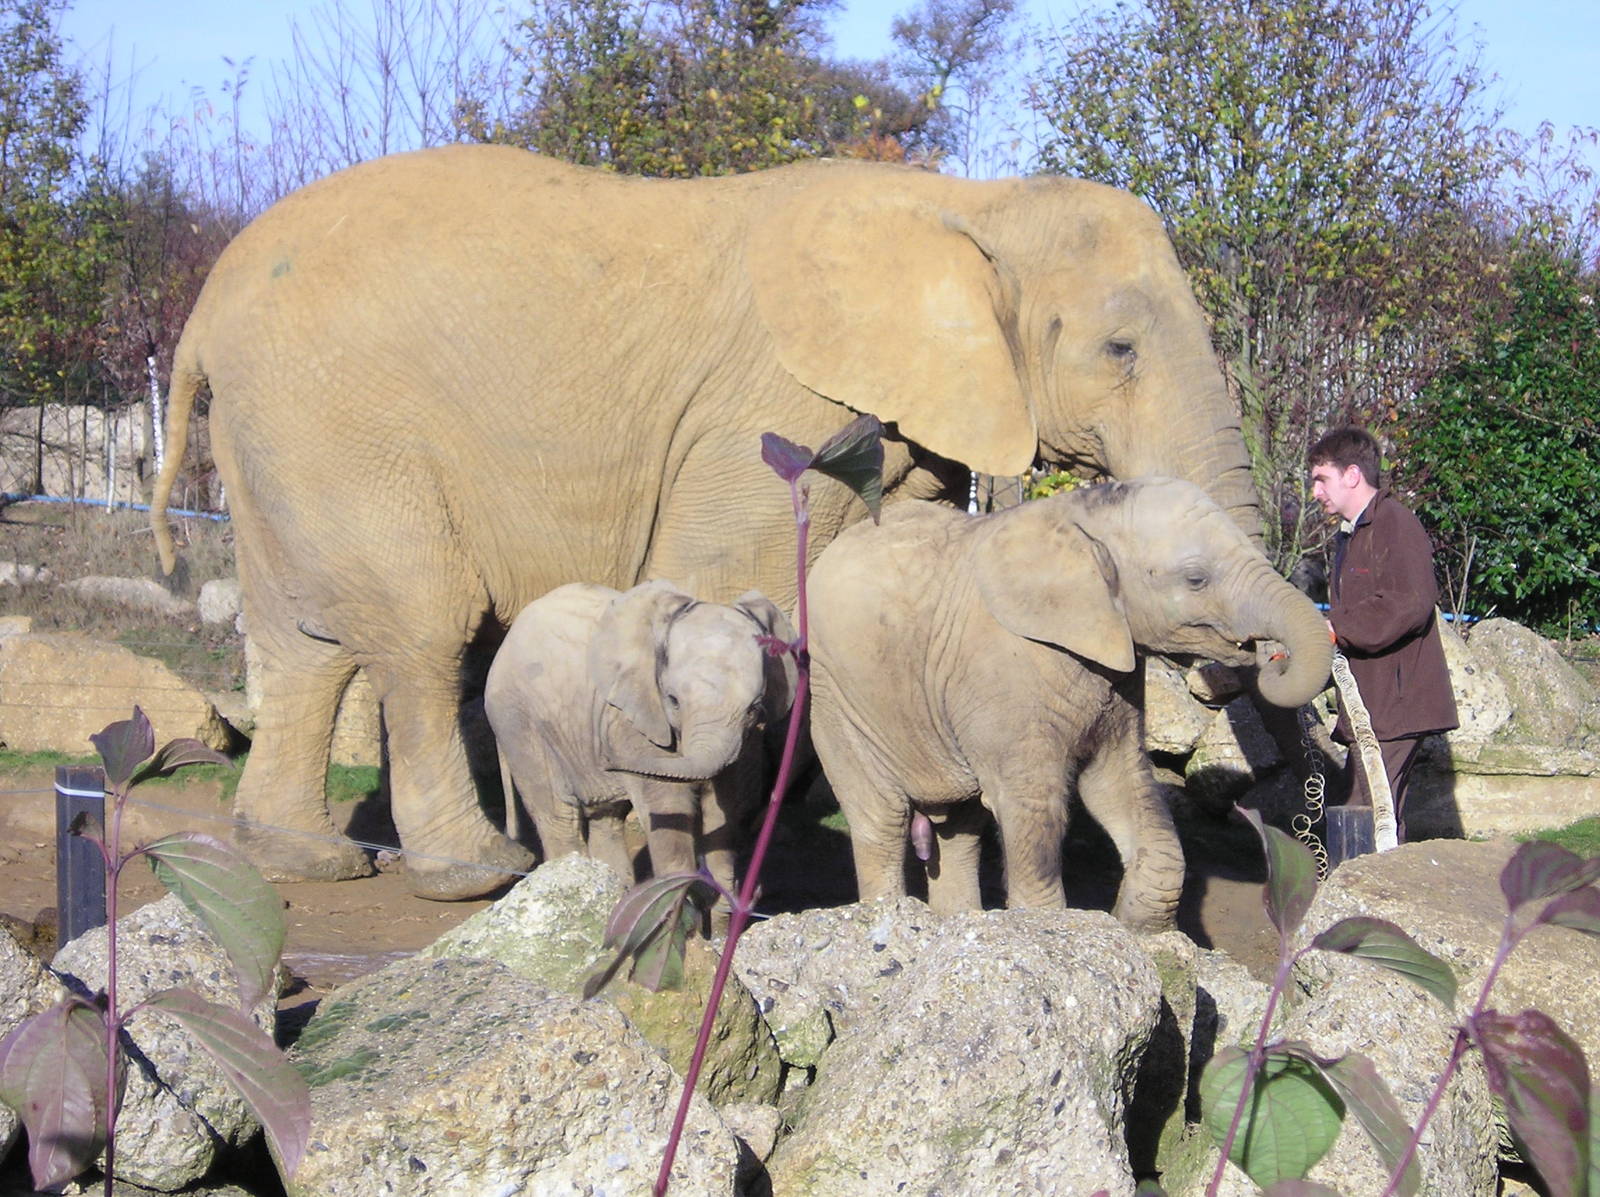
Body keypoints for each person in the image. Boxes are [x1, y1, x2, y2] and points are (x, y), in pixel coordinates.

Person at [1307, 426, 1458, 841]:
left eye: (1322, 479)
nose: (1315, 492)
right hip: (1371, 706)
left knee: (1366, 816)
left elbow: (1409, 601)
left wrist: (1337, 628)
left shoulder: (1395, 523)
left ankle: (1369, 903)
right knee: (1372, 812)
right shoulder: (1352, 534)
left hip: (1396, 704)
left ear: (1352, 474)